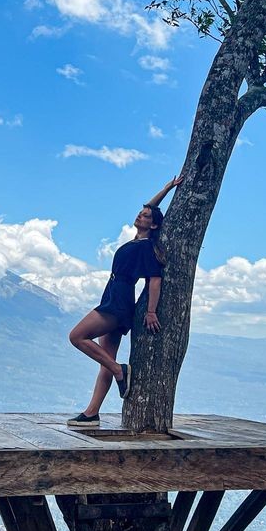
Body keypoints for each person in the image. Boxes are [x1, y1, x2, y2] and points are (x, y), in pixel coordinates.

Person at [67, 175, 184, 427]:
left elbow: (155, 280)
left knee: (76, 337)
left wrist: (151, 312)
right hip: (114, 296)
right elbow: (150, 208)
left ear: (153, 226)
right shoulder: (137, 241)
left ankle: (121, 371)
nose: (140, 216)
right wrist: (166, 189)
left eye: (145, 217)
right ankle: (91, 413)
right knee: (104, 360)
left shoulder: (145, 248)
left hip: (118, 302)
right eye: (140, 214)